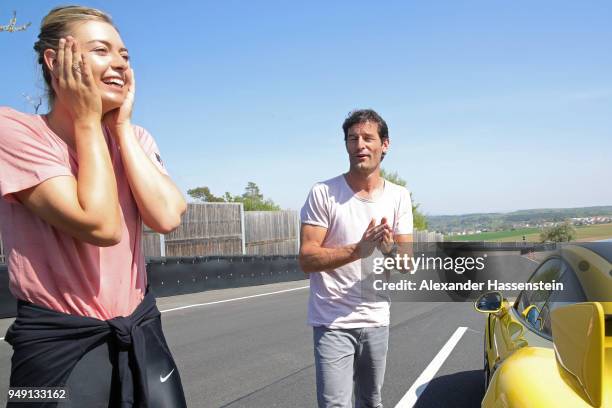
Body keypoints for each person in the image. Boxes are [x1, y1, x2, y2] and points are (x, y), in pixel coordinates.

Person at [0, 6, 187, 407]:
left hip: (140, 328)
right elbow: (101, 225)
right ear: (56, 62)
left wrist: (120, 128)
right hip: (56, 344)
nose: (120, 63)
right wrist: (87, 123)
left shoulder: (135, 137)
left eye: (125, 55)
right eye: (102, 50)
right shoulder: (13, 131)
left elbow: (168, 216)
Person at [299, 109, 414, 408]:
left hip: (376, 318)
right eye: (352, 138)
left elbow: (406, 264)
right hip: (332, 322)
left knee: (371, 401)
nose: (359, 145)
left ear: (384, 144)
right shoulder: (323, 193)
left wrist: (388, 249)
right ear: (346, 145)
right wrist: (357, 249)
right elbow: (307, 259)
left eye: (367, 138)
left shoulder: (399, 196)